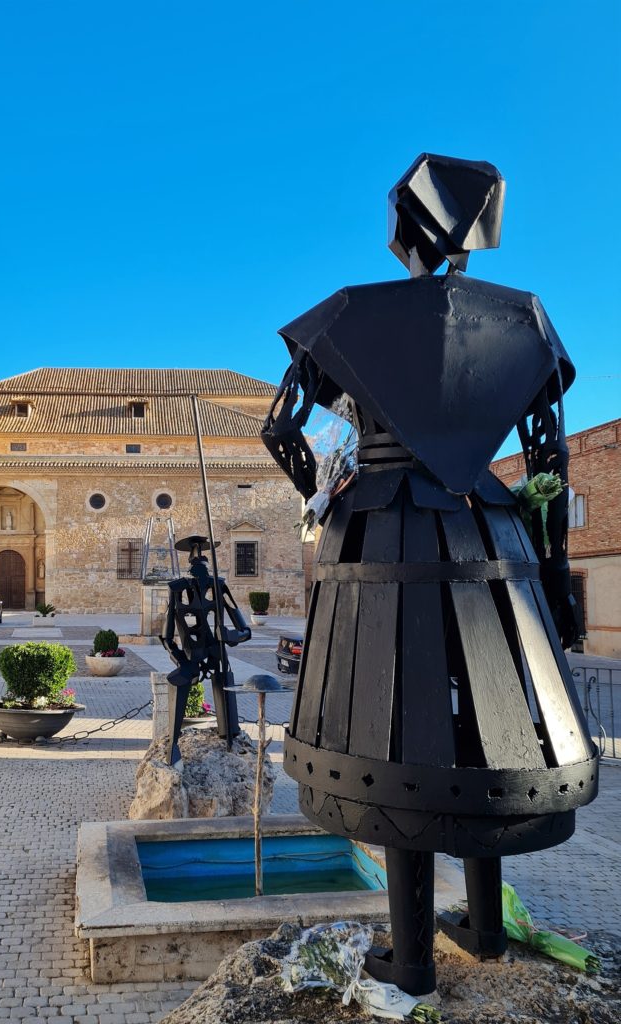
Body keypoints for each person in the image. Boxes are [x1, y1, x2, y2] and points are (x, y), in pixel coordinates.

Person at [262, 153, 598, 995]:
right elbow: (548, 459)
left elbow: (281, 430)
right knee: (480, 728)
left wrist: (329, 494)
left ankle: (409, 960)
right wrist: (553, 583)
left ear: (400, 231)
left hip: (379, 532)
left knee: (394, 726)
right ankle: (484, 929)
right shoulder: (523, 319)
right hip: (490, 532)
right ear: (481, 232)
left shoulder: (348, 316)